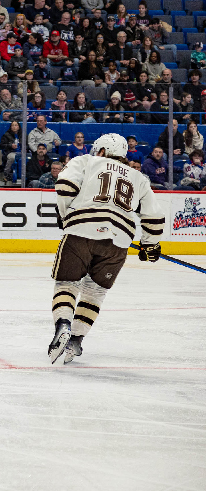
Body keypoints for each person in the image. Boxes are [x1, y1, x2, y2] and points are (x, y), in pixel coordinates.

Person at [48, 133, 165, 364]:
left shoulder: (85, 161)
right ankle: (76, 340)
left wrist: (65, 217)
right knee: (95, 292)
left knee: (67, 284)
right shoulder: (139, 178)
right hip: (119, 241)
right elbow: (155, 217)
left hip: (81, 231)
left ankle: (63, 325)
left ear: (101, 151)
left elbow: (64, 187)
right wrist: (150, 245)